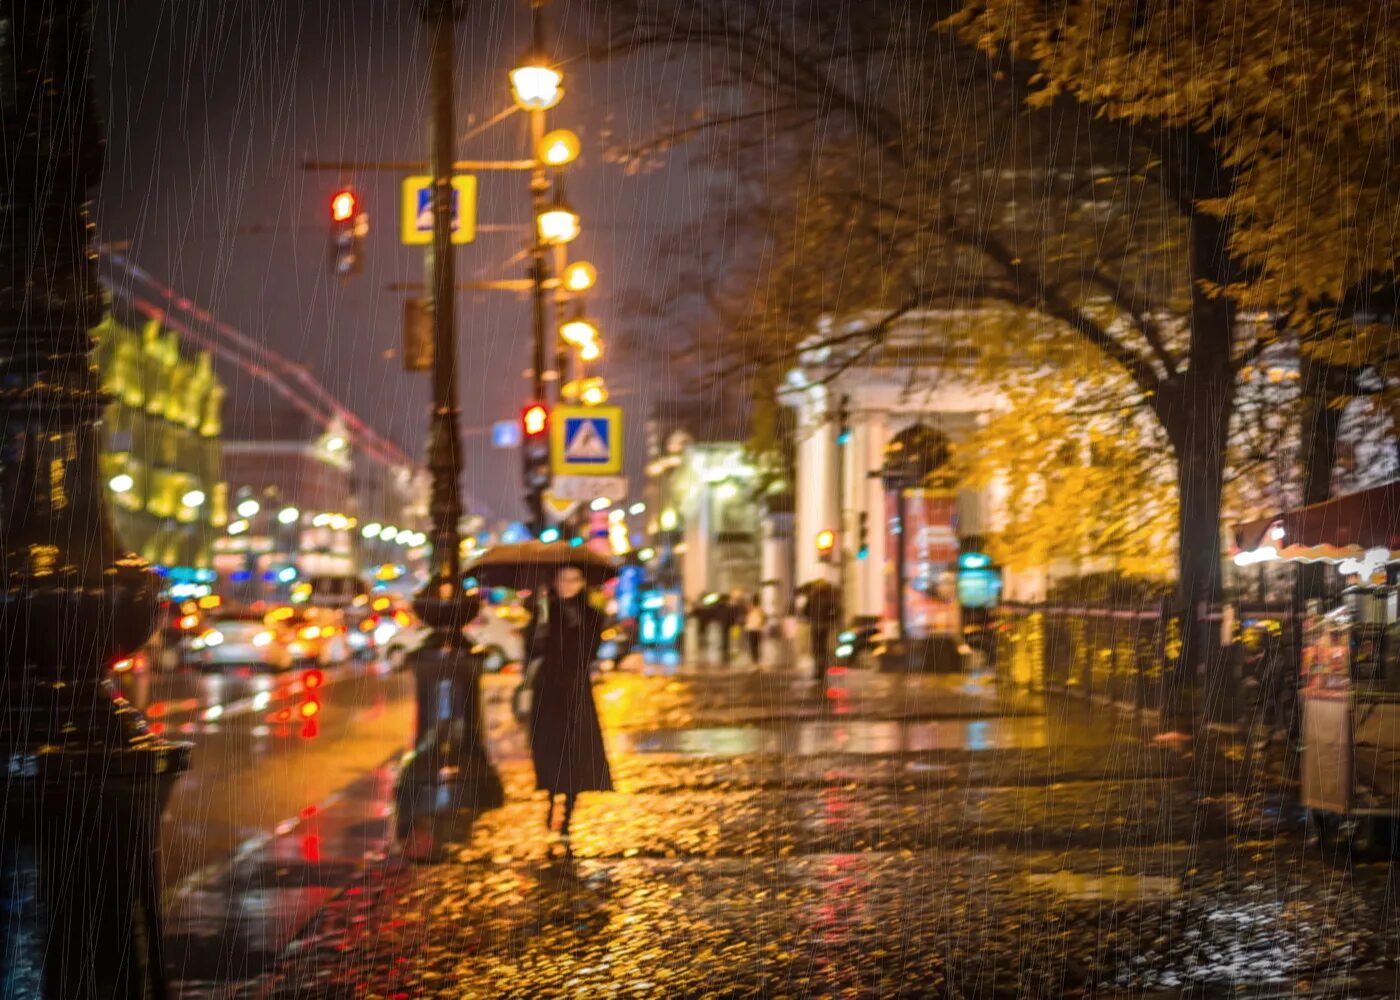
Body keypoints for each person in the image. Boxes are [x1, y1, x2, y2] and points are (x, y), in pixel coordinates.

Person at [528, 565, 613, 841]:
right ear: (554, 581)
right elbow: (532, 650)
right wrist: (537, 619)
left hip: (575, 688)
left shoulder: (590, 614)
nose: (568, 585)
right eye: (563, 579)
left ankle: (568, 815)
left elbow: (589, 651)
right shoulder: (542, 611)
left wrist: (577, 623)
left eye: (574, 579)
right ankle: (551, 802)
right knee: (550, 749)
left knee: (576, 751)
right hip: (548, 688)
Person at [743, 593, 766, 666]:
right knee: (757, 646)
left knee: (752, 646)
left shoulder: (749, 609)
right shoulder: (761, 610)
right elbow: (764, 620)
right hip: (758, 630)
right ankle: (757, 662)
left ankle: (754, 662)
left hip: (750, 630)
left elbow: (745, 619)